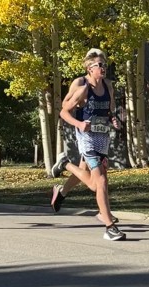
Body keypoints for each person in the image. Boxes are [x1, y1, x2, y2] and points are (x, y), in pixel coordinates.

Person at [51, 49, 126, 241]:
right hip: (86, 138)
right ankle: (109, 226)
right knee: (98, 182)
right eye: (99, 65)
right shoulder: (82, 85)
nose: (103, 68)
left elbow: (109, 112)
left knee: (98, 181)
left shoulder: (108, 86)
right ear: (89, 68)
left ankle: (65, 166)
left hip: (102, 137)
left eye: (104, 64)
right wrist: (79, 123)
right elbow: (64, 111)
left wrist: (114, 120)